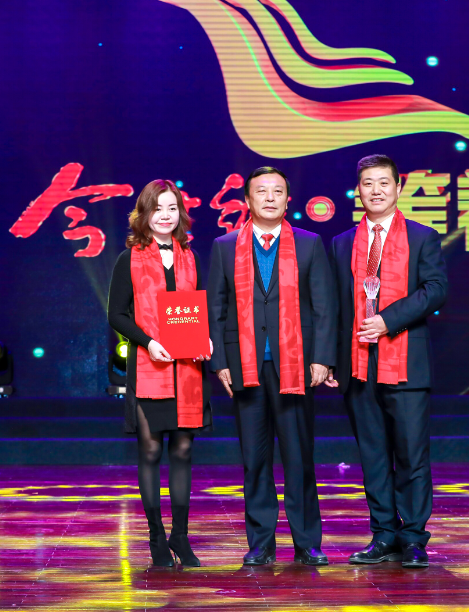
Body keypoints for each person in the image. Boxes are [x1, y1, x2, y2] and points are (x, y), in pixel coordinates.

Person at [207, 166, 338, 566]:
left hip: (295, 365)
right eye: (261, 191)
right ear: (247, 200)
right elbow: (216, 308)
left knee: (299, 457)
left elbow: (325, 305)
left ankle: (307, 542)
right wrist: (220, 362)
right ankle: (260, 543)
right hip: (245, 365)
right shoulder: (225, 246)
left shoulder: (309, 243)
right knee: (255, 459)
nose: (269, 198)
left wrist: (322, 357)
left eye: (277, 191)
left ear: (287, 200)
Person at [329, 154, 448, 569]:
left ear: (399, 187)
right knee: (374, 456)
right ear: (357, 190)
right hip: (358, 363)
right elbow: (333, 306)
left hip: (406, 362)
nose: (376, 190)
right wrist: (329, 359)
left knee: (412, 456)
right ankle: (383, 534)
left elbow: (436, 289)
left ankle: (413, 538)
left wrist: (387, 320)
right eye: (367, 183)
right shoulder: (341, 243)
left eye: (383, 182)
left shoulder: (422, 237)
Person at [108, 179, 212, 568]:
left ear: (180, 213)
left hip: (187, 369)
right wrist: (148, 342)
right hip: (149, 365)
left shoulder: (191, 256)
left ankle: (179, 537)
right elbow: (116, 314)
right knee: (151, 451)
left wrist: (205, 339)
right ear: (144, 214)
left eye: (171, 208)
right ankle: (155, 538)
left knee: (183, 450)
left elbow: (197, 311)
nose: (165, 216)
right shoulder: (129, 258)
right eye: (157, 208)